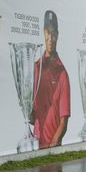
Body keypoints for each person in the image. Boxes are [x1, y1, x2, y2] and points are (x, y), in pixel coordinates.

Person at [32, 10, 71, 148]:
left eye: (53, 33)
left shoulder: (62, 74)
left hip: (53, 148)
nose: (50, 37)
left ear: (57, 35)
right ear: (43, 32)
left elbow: (63, 123)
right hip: (35, 146)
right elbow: (33, 118)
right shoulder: (36, 67)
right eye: (48, 32)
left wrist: (51, 148)